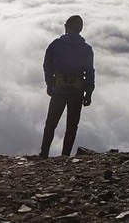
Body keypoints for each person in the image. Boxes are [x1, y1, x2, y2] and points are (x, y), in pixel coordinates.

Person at [40, 15, 95, 157]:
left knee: (51, 124)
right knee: (71, 127)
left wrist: (49, 84)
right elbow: (90, 72)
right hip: (77, 92)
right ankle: (65, 156)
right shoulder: (86, 48)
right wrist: (88, 93)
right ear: (80, 29)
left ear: (67, 27)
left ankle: (44, 154)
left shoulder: (56, 45)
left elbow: (47, 66)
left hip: (58, 90)